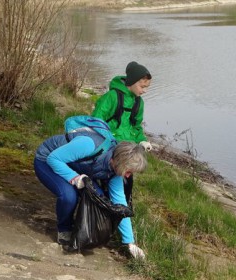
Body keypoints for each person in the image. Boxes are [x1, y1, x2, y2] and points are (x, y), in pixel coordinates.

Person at [33, 120, 148, 259]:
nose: (129, 176)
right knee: (69, 196)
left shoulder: (115, 171)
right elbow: (54, 159)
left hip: (73, 166)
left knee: (98, 198)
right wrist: (75, 179)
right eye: (129, 171)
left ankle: (80, 229)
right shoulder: (89, 145)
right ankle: (64, 229)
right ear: (120, 162)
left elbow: (120, 204)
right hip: (47, 161)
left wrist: (130, 243)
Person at [92, 61, 153, 207]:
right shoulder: (112, 97)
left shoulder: (139, 103)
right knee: (109, 179)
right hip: (109, 147)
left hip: (128, 149)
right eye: (142, 86)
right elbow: (95, 122)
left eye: (146, 87)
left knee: (127, 181)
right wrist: (107, 140)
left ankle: (122, 209)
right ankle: (102, 207)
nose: (144, 91)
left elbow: (136, 126)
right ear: (131, 82)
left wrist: (142, 140)